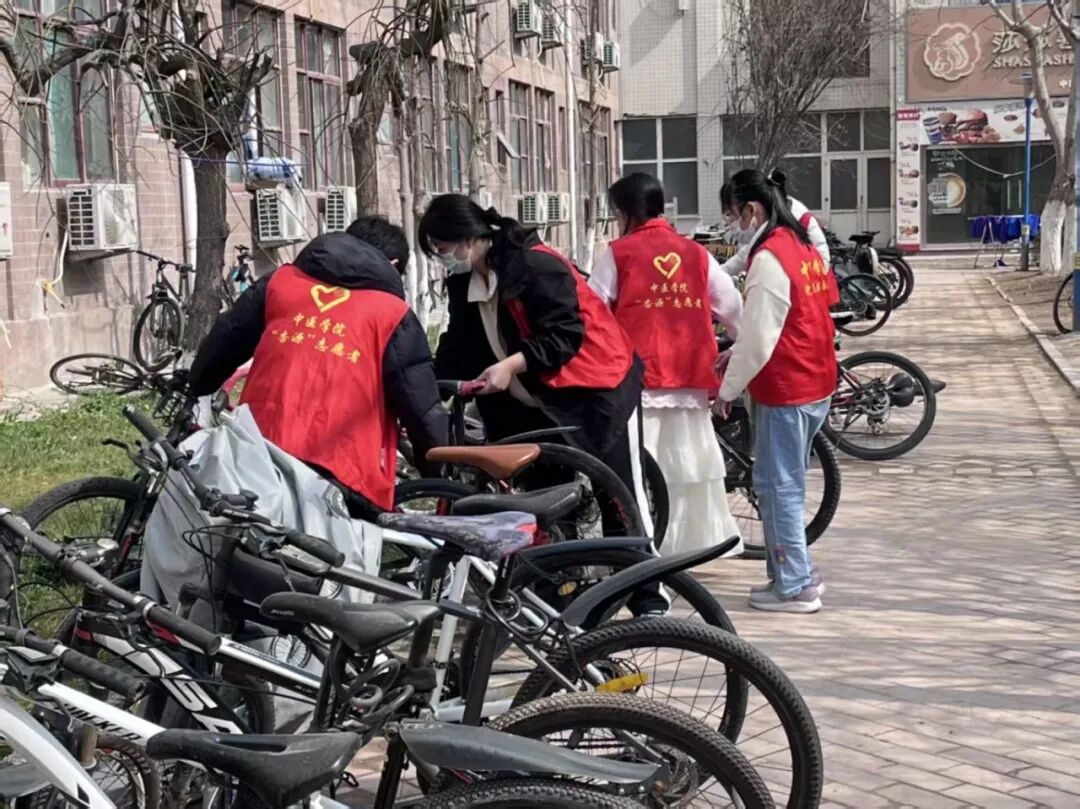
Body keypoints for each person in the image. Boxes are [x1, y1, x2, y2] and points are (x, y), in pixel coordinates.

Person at [419, 194, 663, 614]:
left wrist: (510, 365)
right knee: (546, 496)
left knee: (618, 492)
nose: (443, 259)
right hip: (535, 401)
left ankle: (649, 596)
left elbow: (565, 335)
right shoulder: (466, 283)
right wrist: (424, 387)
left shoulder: (535, 266)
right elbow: (459, 347)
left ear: (468, 238)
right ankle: (561, 591)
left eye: (443, 249)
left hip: (598, 388)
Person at [187, 216, 448, 521]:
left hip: (257, 450)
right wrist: (438, 467)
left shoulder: (280, 282)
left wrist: (197, 384)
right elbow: (420, 405)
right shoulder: (392, 314)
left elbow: (228, 338)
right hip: (341, 473)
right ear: (392, 265)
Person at [589, 172, 743, 556]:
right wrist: (738, 345)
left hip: (639, 380)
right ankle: (693, 547)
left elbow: (591, 312)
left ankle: (650, 549)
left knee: (641, 471)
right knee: (689, 467)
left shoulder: (619, 254)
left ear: (626, 211)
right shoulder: (695, 253)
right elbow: (733, 306)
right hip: (690, 374)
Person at [715, 169, 837, 614]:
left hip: (788, 386)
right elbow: (787, 319)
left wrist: (727, 389)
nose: (733, 225)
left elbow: (759, 339)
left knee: (778, 487)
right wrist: (737, 354)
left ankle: (795, 585)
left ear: (752, 209)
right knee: (783, 483)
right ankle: (793, 572)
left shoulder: (769, 257)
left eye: (733, 215)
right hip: (814, 378)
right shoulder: (799, 245)